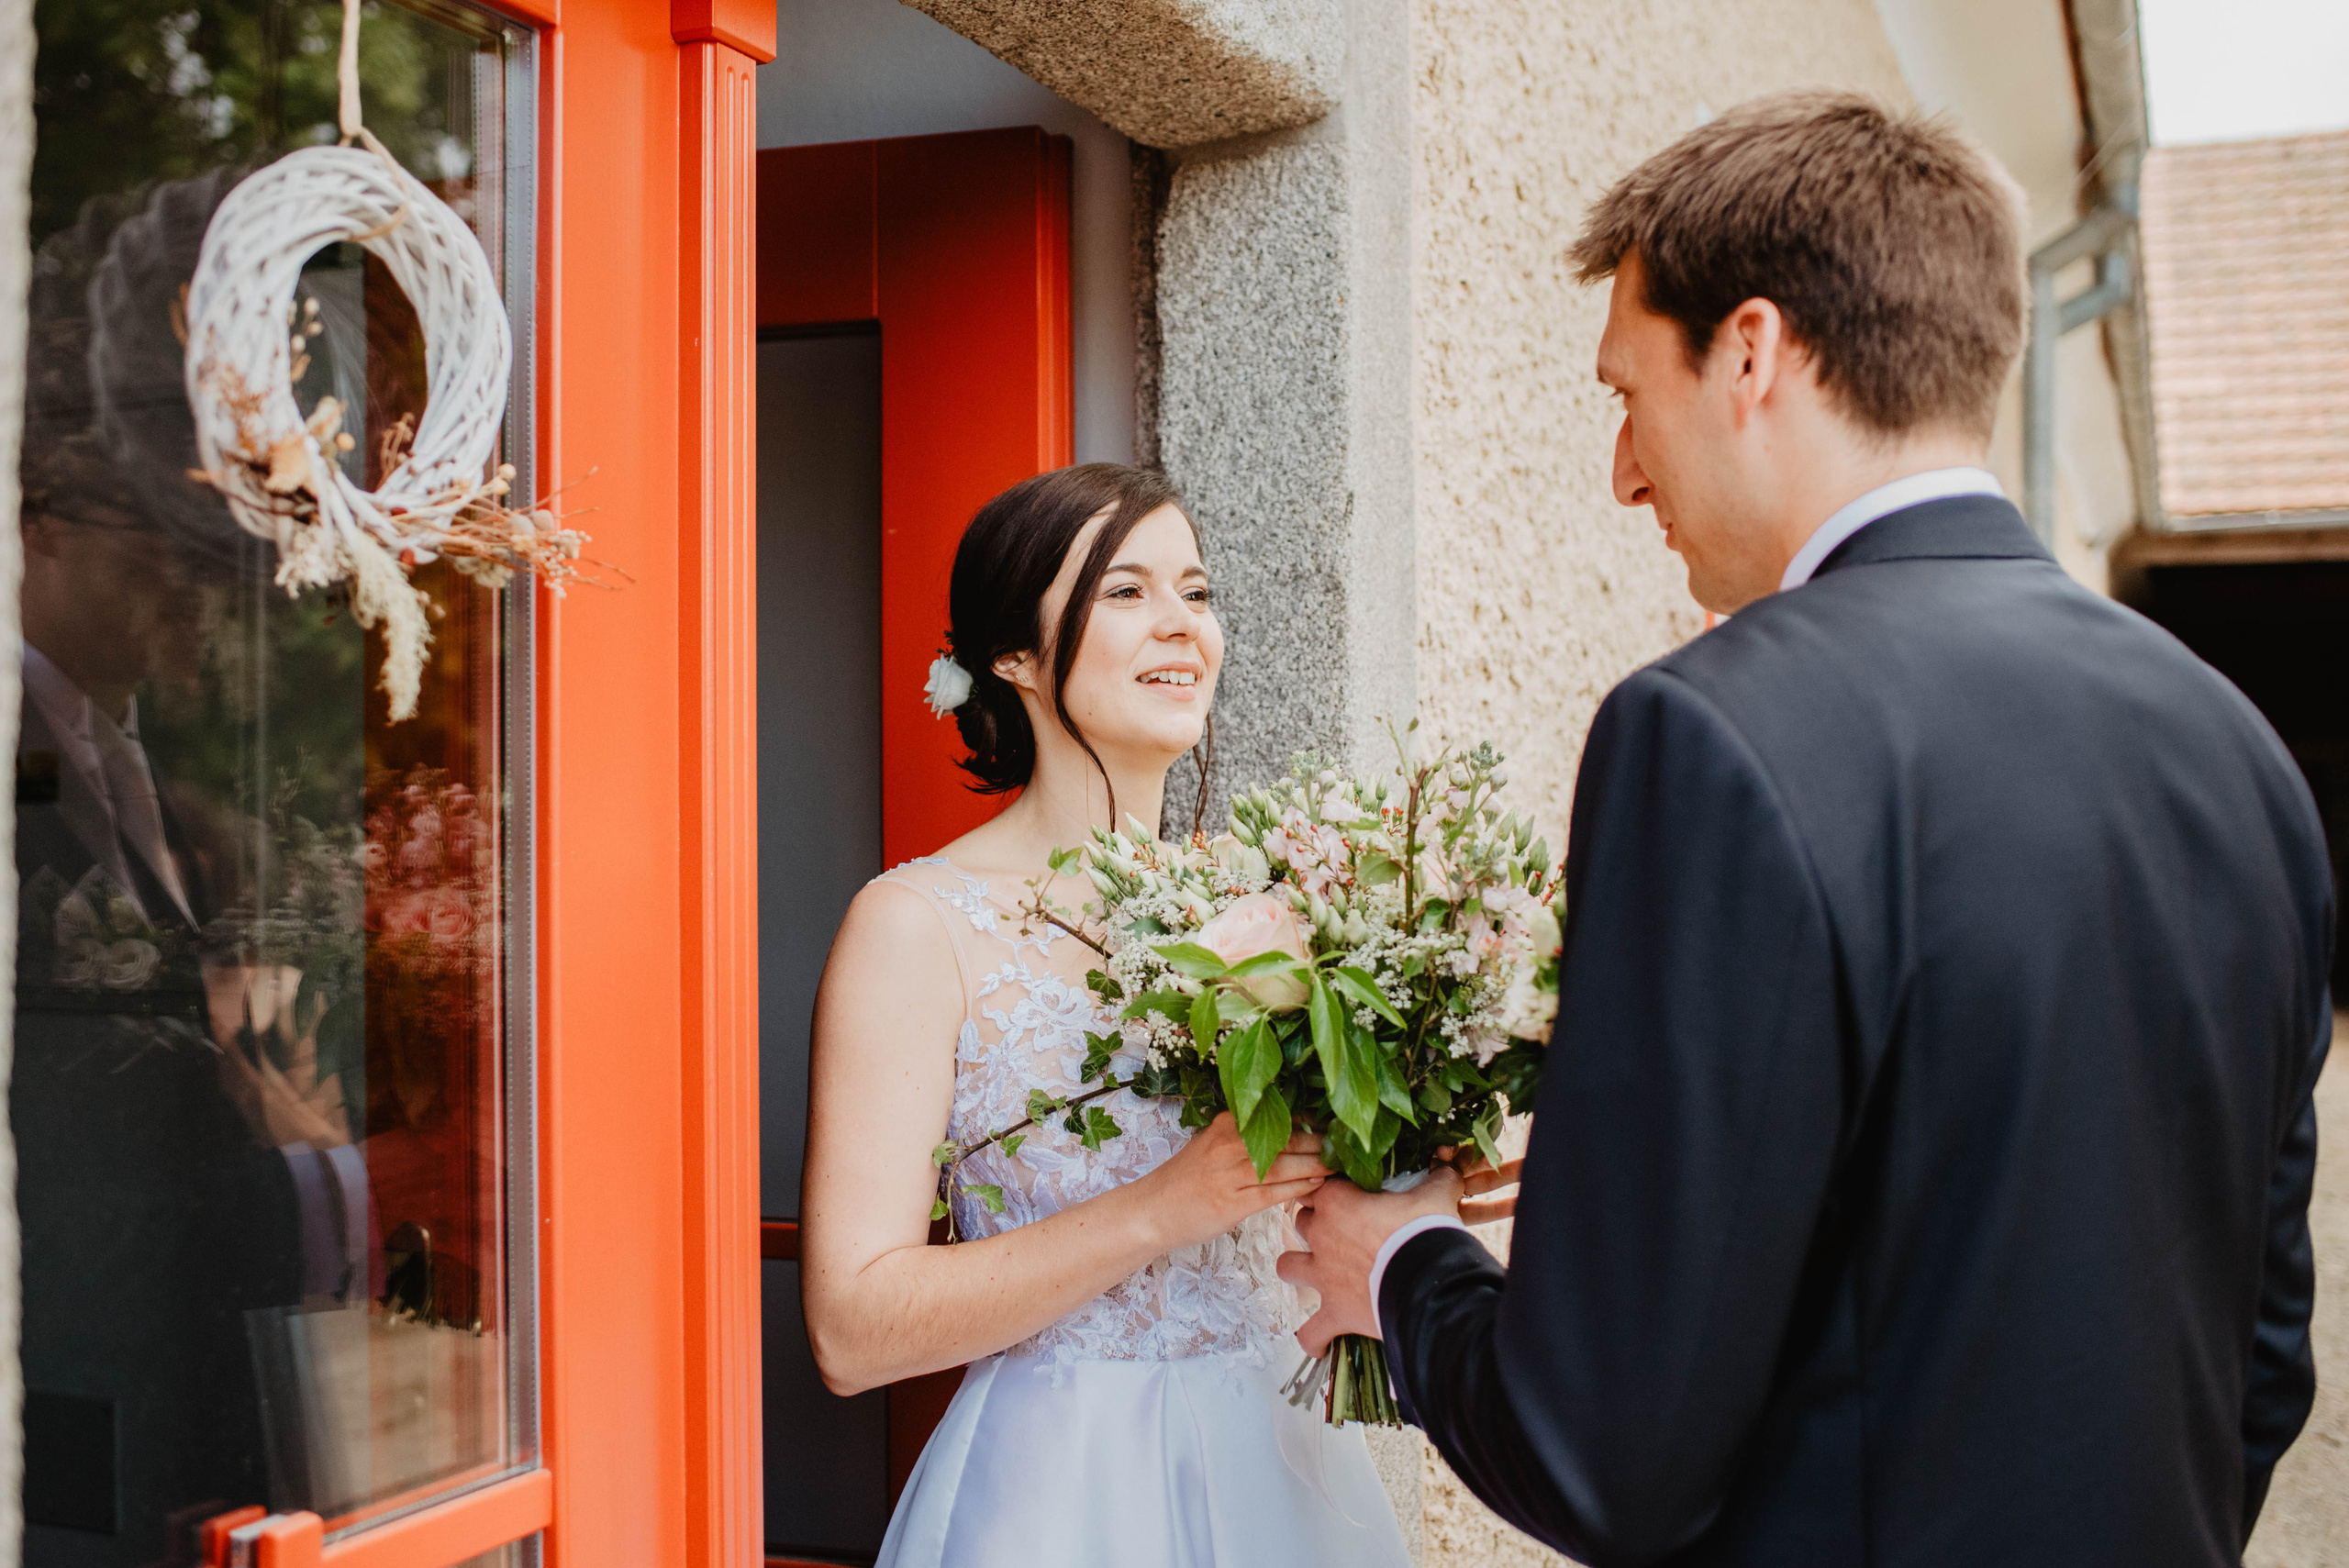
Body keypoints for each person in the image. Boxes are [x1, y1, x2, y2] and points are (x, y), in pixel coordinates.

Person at [1278, 92, 2331, 1566]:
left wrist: (1404, 1269)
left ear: (1753, 354)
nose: (1625, 472)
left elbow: (1606, 1454)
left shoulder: (1710, 733)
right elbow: (2261, 1365)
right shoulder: (2241, 753)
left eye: (1626, 395)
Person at [800, 463, 1415, 1567]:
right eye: (1126, 592)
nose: (1182, 626)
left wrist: (1414, 1153)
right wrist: (1161, 1206)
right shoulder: (916, 926)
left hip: (1282, 1467)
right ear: (1015, 656)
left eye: (1196, 590)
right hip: (1058, 1491)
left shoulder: (1275, 902)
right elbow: (851, 1328)